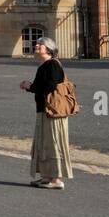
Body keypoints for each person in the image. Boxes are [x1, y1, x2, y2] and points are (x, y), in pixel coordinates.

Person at [19, 37, 73, 189]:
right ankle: (47, 177)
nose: (36, 45)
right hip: (44, 110)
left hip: (53, 112)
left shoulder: (53, 65)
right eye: (36, 44)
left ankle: (56, 180)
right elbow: (42, 86)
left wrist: (30, 86)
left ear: (48, 49)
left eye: (40, 44)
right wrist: (30, 86)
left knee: (54, 144)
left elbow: (49, 86)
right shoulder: (44, 65)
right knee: (44, 144)